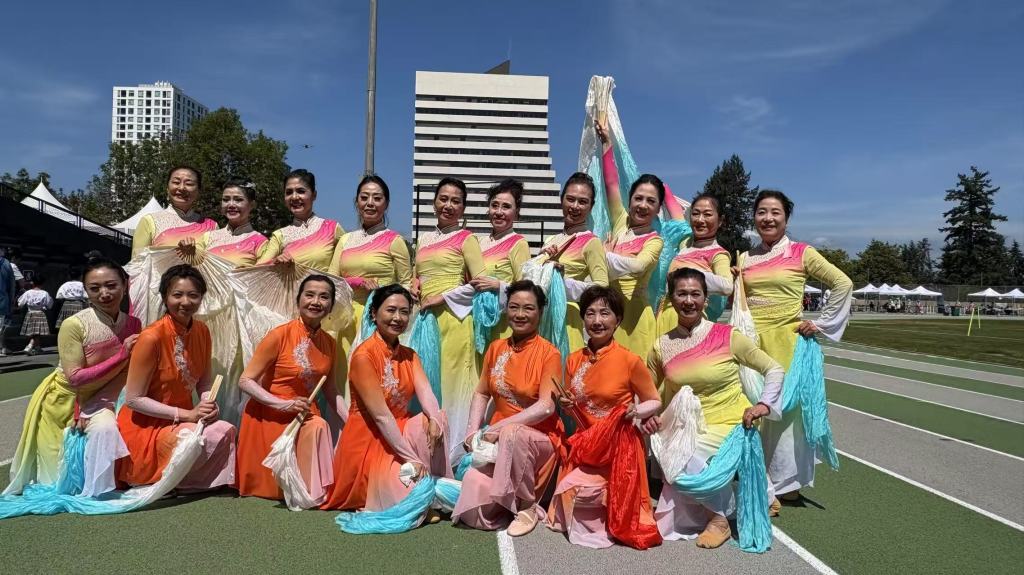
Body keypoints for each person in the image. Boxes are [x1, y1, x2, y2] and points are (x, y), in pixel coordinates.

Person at [648, 268, 784, 547]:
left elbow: (773, 369)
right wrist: (648, 414)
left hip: (733, 422)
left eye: (695, 294)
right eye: (681, 294)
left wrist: (763, 404)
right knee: (669, 451)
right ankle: (761, 492)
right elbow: (647, 390)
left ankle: (718, 520)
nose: (688, 301)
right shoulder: (661, 346)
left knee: (686, 455)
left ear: (706, 299)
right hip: (687, 424)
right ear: (671, 299)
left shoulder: (728, 335)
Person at [738, 190, 852, 511]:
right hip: (752, 343)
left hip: (787, 342)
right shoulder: (744, 258)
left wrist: (821, 323)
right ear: (754, 217)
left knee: (786, 419)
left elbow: (842, 283)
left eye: (775, 212)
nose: (768, 218)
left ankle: (786, 483)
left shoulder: (802, 252)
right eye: (761, 212)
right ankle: (758, 478)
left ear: (786, 219)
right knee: (752, 410)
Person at [4, 256, 142, 497]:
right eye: (94, 288)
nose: (104, 294)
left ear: (125, 285)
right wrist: (121, 355)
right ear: (86, 291)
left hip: (105, 399)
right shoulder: (74, 324)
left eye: (111, 285)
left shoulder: (133, 323)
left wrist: (104, 401)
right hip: (63, 402)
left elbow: (127, 370)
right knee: (57, 483)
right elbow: (75, 378)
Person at [547, 286, 662, 549]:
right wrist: (565, 404)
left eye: (605, 313)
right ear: (583, 320)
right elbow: (573, 404)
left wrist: (635, 411)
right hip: (586, 445)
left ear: (617, 320)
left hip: (619, 449)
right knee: (572, 491)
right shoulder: (573, 359)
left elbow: (654, 401)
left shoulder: (629, 360)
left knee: (586, 494)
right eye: (590, 313)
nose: (597, 321)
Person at [321, 284, 449, 511]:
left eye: (404, 312)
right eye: (391, 310)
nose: (398, 318)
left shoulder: (410, 355)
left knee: (434, 420)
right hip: (370, 438)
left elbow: (426, 393)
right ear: (374, 313)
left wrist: (434, 418)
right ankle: (421, 483)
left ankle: (428, 481)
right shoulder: (364, 356)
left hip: (400, 430)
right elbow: (381, 416)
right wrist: (412, 458)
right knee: (407, 498)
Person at [453, 280, 563, 536]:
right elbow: (482, 392)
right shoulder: (496, 348)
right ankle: (507, 499)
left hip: (538, 441)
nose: (520, 314)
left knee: (514, 433)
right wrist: (472, 431)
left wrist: (498, 428)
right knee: (473, 508)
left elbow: (546, 407)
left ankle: (527, 506)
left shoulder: (550, 354)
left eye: (528, 308)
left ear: (540, 312)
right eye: (514, 307)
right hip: (498, 443)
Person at [116, 265, 237, 491]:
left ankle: (188, 483)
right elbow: (133, 399)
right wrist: (188, 415)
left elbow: (204, 382)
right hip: (145, 426)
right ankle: (155, 478)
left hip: (184, 420)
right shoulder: (151, 337)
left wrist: (208, 403)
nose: (186, 302)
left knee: (225, 430)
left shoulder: (202, 331)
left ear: (201, 297)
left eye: (193, 295)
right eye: (177, 295)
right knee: (190, 438)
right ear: (164, 297)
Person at [236, 275, 347, 501]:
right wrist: (283, 404)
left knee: (317, 425)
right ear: (298, 300)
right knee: (318, 426)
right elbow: (245, 380)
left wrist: (351, 422)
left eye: (324, 297)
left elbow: (331, 390)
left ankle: (313, 489)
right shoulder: (279, 335)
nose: (316, 302)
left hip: (304, 414)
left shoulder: (330, 344)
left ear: (330, 306)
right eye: (310, 295)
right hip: (270, 415)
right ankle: (311, 490)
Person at [415, 177, 485, 456]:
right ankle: (427, 450)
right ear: (434, 203)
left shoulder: (467, 238)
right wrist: (414, 284)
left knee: (451, 385)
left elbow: (480, 283)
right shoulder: (423, 239)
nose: (448, 205)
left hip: (454, 320)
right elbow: (418, 274)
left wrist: (442, 297)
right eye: (443, 199)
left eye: (456, 201)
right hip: (425, 321)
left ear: (463, 208)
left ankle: (453, 453)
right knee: (427, 384)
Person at [594, 121, 664, 357]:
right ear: (630, 200)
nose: (643, 205)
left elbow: (638, 266)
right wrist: (606, 143)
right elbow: (611, 183)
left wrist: (604, 255)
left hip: (636, 320)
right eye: (638, 198)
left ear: (658, 209)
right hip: (607, 313)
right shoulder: (620, 221)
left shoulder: (654, 241)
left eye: (651, 201)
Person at [328, 174, 412, 360]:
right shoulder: (345, 240)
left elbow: (406, 285)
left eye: (377, 198)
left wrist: (382, 292)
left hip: (379, 321)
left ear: (386, 204)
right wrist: (356, 282)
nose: (370, 203)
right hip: (346, 319)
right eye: (364, 197)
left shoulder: (395, 240)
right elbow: (330, 281)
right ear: (357, 202)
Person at [537, 173, 610, 352]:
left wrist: (563, 282)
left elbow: (602, 287)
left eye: (583, 202)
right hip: (542, 318)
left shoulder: (591, 242)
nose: (575, 206)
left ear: (591, 207)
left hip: (567, 322)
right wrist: (539, 262)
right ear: (561, 199)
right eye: (570, 199)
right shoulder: (550, 240)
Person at [656, 194, 733, 336]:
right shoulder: (685, 244)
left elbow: (727, 286)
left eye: (707, 214)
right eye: (695, 213)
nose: (700, 220)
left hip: (689, 320)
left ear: (720, 221)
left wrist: (685, 275)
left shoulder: (718, 254)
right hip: (665, 316)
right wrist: (664, 190)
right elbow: (677, 217)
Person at [467, 179, 531, 342]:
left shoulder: (518, 243)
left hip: (502, 324)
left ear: (516, 213)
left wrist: (499, 285)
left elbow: (525, 288)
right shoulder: (477, 242)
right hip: (475, 320)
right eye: (494, 205)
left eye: (506, 207)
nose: (499, 212)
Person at [256, 169, 344, 270]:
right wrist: (276, 263)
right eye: (289, 192)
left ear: (314, 195)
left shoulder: (332, 228)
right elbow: (257, 271)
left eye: (301, 191)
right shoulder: (280, 236)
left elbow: (348, 264)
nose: (294, 197)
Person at [130, 166, 216, 257]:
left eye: (189, 184)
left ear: (199, 191)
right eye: (176, 182)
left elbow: (218, 264)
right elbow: (138, 262)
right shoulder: (149, 221)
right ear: (167, 188)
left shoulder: (212, 226)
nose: (181, 188)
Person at [191, 178, 269, 267]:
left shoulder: (260, 243)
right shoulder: (208, 238)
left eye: (238, 200)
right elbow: (193, 268)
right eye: (226, 199)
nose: (231, 204)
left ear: (252, 205)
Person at [18, 275, 53, 355]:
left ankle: (36, 347)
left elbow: (20, 303)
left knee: (34, 332)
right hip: (40, 313)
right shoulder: (45, 293)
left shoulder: (28, 292)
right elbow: (50, 305)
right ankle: (31, 346)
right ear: (42, 283)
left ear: (32, 283)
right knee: (37, 332)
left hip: (30, 313)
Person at [0, 247, 16, 356]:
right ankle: (2, 348)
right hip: (2, 300)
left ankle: (2, 347)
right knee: (1, 327)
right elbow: (12, 285)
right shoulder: (6, 264)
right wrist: (11, 300)